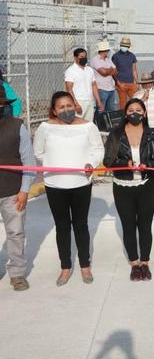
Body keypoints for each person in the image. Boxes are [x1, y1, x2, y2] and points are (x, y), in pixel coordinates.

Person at [33, 91, 104, 286]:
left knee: (81, 225)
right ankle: (65, 267)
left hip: (81, 182)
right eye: (61, 107)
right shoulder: (45, 128)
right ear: (54, 111)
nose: (66, 110)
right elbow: (38, 152)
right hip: (55, 184)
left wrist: (91, 163)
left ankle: (85, 265)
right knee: (62, 227)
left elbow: (98, 149)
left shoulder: (88, 126)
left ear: (75, 105)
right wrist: (53, 162)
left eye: (69, 105)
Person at [102, 98, 154, 281]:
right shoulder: (115, 134)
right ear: (125, 113)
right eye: (130, 110)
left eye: (138, 109)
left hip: (146, 185)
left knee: (145, 226)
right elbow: (108, 161)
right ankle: (134, 263)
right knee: (128, 226)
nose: (134, 113)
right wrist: (125, 163)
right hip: (123, 186)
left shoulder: (152, 134)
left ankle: (145, 262)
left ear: (144, 113)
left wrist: (148, 165)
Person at [0, 86, 36, 291]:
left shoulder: (17, 126)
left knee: (15, 233)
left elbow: (28, 161)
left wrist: (24, 190)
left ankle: (17, 274)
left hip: (13, 191)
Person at [64, 47, 103, 122]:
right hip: (79, 101)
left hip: (90, 101)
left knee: (89, 124)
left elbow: (94, 85)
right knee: (77, 124)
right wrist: (76, 104)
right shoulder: (70, 71)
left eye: (85, 57)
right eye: (81, 57)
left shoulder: (89, 70)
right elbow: (69, 89)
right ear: (75, 58)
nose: (84, 59)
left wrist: (99, 101)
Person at [89, 41, 118, 113]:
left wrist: (108, 70)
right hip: (101, 89)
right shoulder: (95, 59)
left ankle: (108, 124)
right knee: (101, 111)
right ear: (105, 51)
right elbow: (103, 73)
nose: (108, 52)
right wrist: (110, 70)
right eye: (107, 50)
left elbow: (116, 71)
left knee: (111, 111)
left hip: (111, 88)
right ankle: (100, 124)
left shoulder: (108, 60)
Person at [112, 37, 139, 109]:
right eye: (123, 45)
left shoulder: (132, 55)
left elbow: (134, 70)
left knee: (136, 101)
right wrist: (118, 83)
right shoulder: (115, 56)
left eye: (126, 46)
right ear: (120, 45)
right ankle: (123, 119)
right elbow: (113, 71)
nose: (124, 47)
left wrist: (137, 82)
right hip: (121, 83)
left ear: (129, 46)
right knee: (123, 104)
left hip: (131, 83)